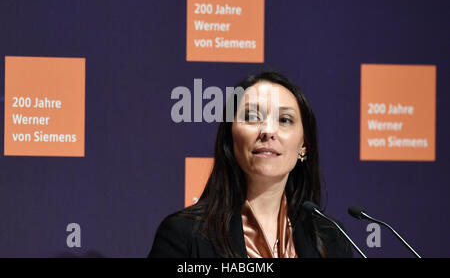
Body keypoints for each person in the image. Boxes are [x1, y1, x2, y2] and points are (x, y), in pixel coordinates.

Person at [149, 71, 353, 258]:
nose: (268, 131)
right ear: (230, 138)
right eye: (252, 117)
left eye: (284, 119)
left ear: (303, 145)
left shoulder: (331, 239)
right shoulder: (183, 235)